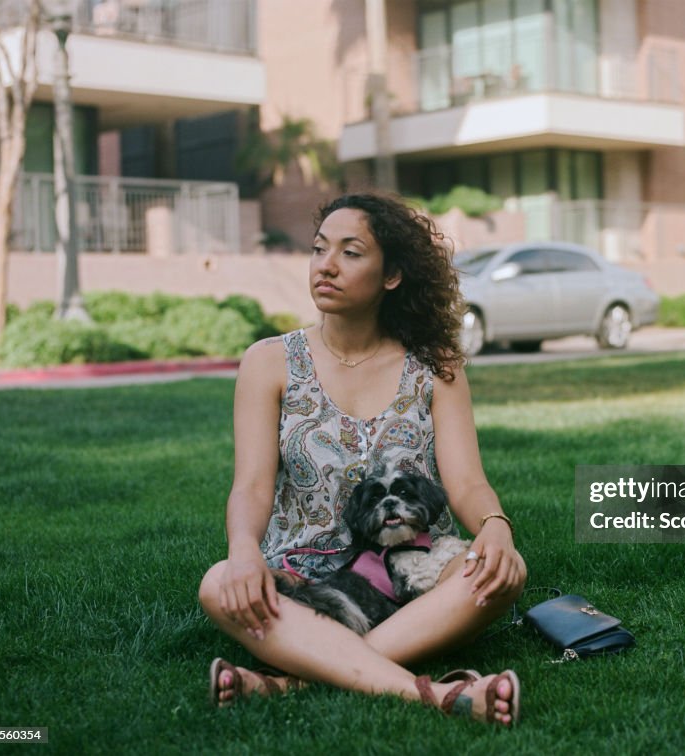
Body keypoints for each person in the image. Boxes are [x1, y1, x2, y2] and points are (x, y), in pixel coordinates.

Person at [198, 192, 527, 726]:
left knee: (500, 574)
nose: (326, 265)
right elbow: (253, 487)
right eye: (319, 248)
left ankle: (292, 680)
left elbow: (466, 482)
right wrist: (242, 552)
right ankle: (439, 694)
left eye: (351, 253)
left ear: (392, 274)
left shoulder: (435, 367)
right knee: (217, 583)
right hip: (300, 583)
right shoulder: (269, 362)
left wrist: (495, 527)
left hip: (410, 583)